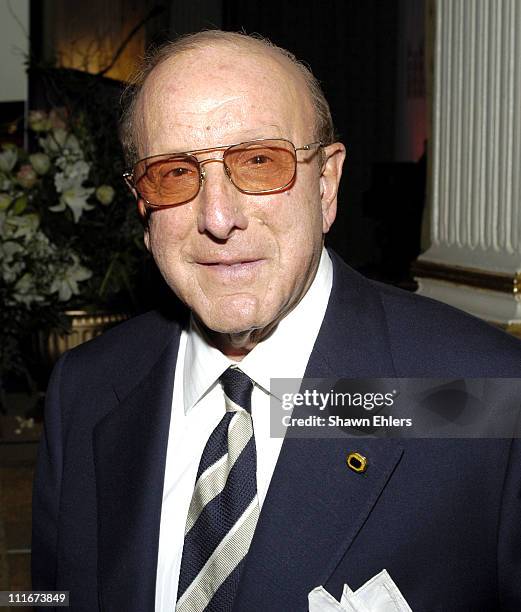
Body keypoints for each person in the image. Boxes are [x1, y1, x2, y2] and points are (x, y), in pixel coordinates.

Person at [32, 30, 521, 611]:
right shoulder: (87, 389)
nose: (218, 217)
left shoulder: (483, 395)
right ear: (143, 206)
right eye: (175, 174)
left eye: (259, 161)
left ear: (326, 184)